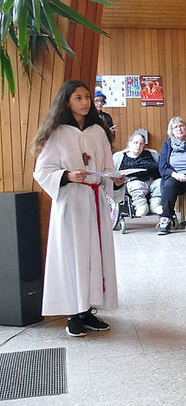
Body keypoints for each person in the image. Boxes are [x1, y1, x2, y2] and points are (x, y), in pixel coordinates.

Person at [32, 80, 126, 337]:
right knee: (73, 257)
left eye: (87, 97)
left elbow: (107, 168)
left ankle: (88, 311)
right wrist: (67, 175)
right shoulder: (57, 133)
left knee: (95, 256)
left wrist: (116, 179)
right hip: (71, 203)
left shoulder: (98, 132)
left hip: (94, 202)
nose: (85, 102)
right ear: (66, 101)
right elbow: (42, 171)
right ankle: (73, 314)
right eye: (78, 98)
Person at [157, 117, 186, 235]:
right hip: (178, 177)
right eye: (175, 127)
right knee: (169, 185)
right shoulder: (167, 145)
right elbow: (163, 166)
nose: (179, 129)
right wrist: (175, 175)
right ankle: (166, 218)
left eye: (181, 126)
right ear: (171, 131)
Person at [112, 131, 161, 217]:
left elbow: (160, 168)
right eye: (135, 143)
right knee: (136, 185)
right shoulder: (119, 157)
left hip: (152, 181)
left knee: (161, 183)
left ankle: (155, 205)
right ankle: (141, 206)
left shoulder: (152, 154)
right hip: (133, 183)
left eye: (141, 144)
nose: (138, 146)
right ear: (129, 143)